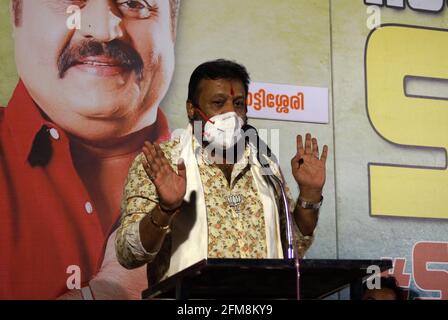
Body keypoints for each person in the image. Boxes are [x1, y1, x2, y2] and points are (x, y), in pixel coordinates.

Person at [0, 0, 179, 299]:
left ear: (172, 28)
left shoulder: (222, 182)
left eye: (135, 2)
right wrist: (106, 294)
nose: (103, 30)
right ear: (15, 14)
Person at [116, 59, 328, 286]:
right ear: (191, 108)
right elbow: (129, 254)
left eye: (238, 104)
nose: (231, 114)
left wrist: (310, 195)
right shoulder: (161, 163)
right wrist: (165, 209)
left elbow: (293, 247)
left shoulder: (265, 164)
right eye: (218, 103)